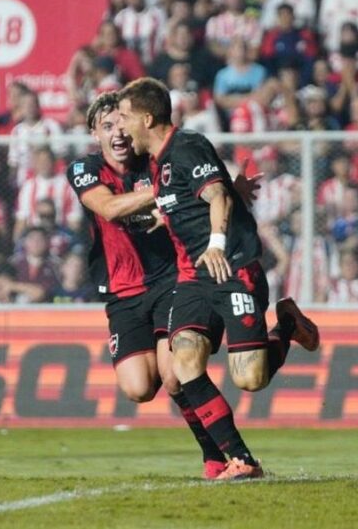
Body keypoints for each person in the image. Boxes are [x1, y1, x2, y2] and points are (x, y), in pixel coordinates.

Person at [117, 77, 320, 480]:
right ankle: (240, 460)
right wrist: (159, 219)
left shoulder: (187, 146)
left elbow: (217, 196)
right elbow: (195, 198)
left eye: (124, 117)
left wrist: (216, 241)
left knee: (250, 377)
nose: (121, 127)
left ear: (146, 117)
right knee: (185, 358)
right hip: (193, 279)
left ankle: (288, 326)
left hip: (231, 269)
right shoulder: (158, 164)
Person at [68, 92, 228, 479]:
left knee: (174, 376)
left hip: (169, 281)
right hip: (121, 294)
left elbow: (198, 186)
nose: (117, 133)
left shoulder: (155, 163)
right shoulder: (84, 169)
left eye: (122, 124)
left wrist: (225, 190)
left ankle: (217, 456)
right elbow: (108, 208)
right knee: (138, 388)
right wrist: (162, 197)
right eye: (107, 127)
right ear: (94, 133)